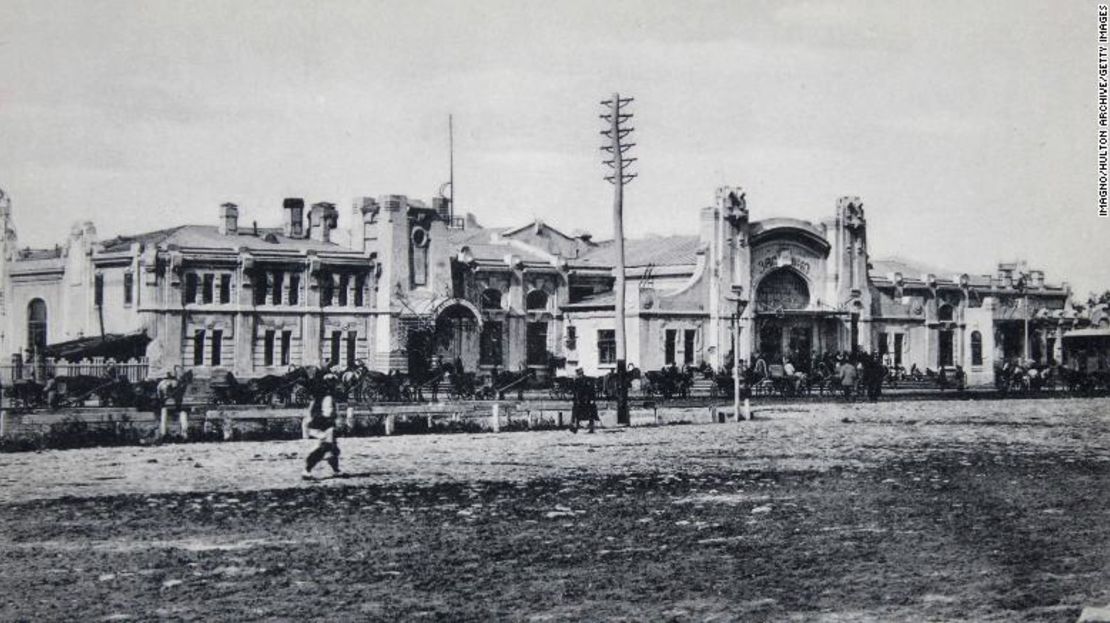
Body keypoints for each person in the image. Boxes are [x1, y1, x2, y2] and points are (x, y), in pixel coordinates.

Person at [302, 394, 343, 479]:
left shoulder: (325, 398)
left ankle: (336, 470)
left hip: (323, 425)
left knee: (332, 448)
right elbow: (328, 413)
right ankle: (307, 470)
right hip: (318, 425)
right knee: (326, 447)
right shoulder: (324, 397)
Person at [570, 368, 598, 434]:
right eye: (578, 374)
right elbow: (574, 391)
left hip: (586, 400)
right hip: (579, 400)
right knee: (576, 414)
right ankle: (575, 427)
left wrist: (592, 399)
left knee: (590, 414)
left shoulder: (587, 380)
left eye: (579, 374)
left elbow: (591, 390)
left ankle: (591, 428)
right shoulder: (577, 380)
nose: (578, 375)